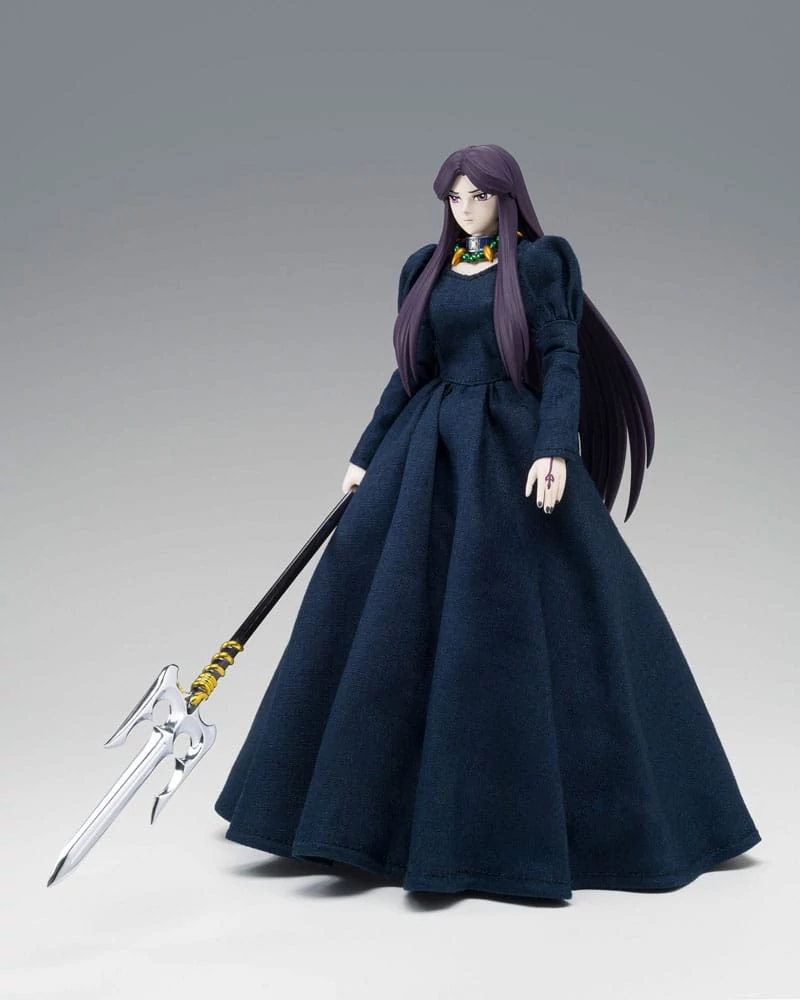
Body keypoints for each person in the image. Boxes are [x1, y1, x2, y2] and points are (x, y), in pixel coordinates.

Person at [214, 144, 761, 901]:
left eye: (479, 195)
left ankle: (534, 824)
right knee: (379, 603)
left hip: (511, 445)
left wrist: (554, 445)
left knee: (528, 611)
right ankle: (357, 814)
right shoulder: (426, 268)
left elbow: (562, 358)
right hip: (426, 450)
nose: (465, 208)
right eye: (455, 197)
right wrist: (366, 452)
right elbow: (410, 373)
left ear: (507, 197)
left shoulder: (540, 264)